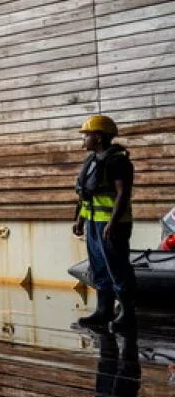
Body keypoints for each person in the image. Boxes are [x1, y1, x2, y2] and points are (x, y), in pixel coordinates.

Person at [74, 115, 136, 331]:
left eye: (87, 135)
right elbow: (87, 195)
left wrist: (113, 222)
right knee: (98, 267)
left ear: (98, 137)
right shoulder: (91, 161)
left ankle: (127, 314)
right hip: (93, 222)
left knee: (118, 268)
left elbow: (122, 193)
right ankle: (104, 310)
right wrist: (80, 218)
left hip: (111, 224)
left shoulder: (118, 161)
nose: (84, 139)